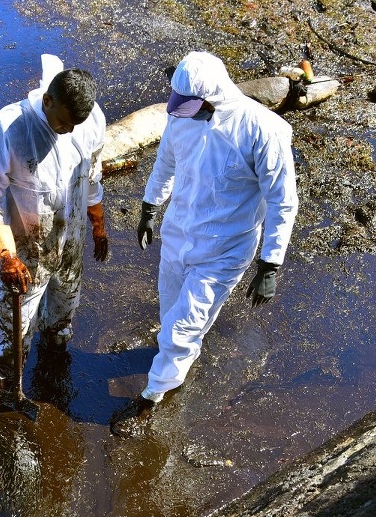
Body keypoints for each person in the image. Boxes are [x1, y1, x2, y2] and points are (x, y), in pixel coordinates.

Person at [110, 51, 300, 437]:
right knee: (170, 314)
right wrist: (149, 207)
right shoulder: (182, 117)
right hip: (178, 233)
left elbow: (283, 200)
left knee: (181, 327)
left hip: (225, 248)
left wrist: (270, 263)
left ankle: (153, 394)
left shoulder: (264, 131)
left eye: (192, 106)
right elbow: (165, 161)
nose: (184, 112)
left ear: (216, 95)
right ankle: (177, 355)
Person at [0, 54, 108, 404]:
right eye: (63, 123)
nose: (70, 131)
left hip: (69, 237)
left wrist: (98, 226)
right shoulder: (8, 129)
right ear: (48, 100)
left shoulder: (89, 121)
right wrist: (7, 257)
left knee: (64, 304)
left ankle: (55, 350)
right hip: (27, 248)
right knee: (14, 325)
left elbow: (91, 177)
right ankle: (6, 385)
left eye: (77, 124)